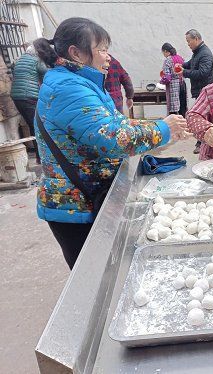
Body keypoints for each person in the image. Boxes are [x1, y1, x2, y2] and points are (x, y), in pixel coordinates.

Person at [33, 17, 186, 269]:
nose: (108, 57)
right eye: (102, 49)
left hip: (87, 197)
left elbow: (117, 122)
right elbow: (113, 139)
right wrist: (163, 129)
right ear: (76, 53)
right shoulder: (68, 88)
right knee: (93, 279)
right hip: (75, 205)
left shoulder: (82, 83)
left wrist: (162, 126)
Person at [175, 29, 213, 154]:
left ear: (196, 38)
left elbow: (203, 72)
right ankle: (202, 141)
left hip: (205, 91)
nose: (188, 44)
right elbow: (191, 63)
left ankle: (202, 142)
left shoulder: (205, 53)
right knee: (203, 117)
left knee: (203, 117)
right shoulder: (198, 53)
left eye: (189, 41)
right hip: (200, 91)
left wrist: (184, 72)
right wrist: (182, 66)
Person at [10, 45, 48, 162]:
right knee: (37, 126)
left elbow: (14, 70)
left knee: (32, 125)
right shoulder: (37, 60)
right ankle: (40, 157)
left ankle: (39, 156)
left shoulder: (19, 60)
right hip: (29, 96)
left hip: (17, 97)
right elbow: (46, 73)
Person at [160, 43, 187, 116]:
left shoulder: (168, 60)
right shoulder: (180, 58)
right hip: (182, 84)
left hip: (173, 86)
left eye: (163, 53)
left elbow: (167, 78)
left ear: (165, 51)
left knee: (174, 109)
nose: (164, 55)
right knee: (182, 107)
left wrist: (161, 81)